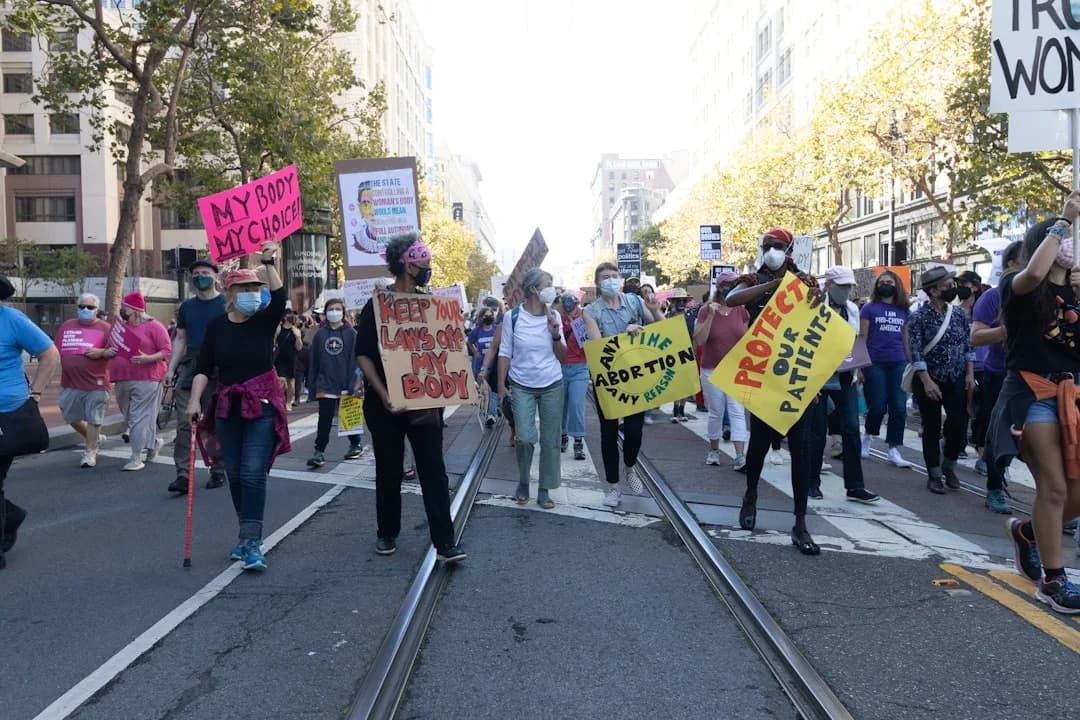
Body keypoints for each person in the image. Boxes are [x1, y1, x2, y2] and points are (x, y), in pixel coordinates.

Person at [991, 196, 1080, 614]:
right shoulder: (1016, 285)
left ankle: (1028, 531)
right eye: (1061, 236)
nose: (1068, 242)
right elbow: (1037, 272)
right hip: (1033, 394)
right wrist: (1064, 217)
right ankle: (1053, 581)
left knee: (1075, 491)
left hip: (1073, 397)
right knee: (1055, 486)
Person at [355, 232, 464, 563]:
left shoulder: (432, 305)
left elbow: (444, 349)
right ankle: (387, 532)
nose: (428, 266)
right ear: (405, 264)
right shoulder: (375, 306)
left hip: (424, 402)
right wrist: (384, 393)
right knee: (388, 469)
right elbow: (363, 355)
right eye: (423, 260)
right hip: (384, 404)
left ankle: (445, 541)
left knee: (433, 468)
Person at [187, 243, 290, 572]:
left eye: (256, 289)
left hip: (262, 406)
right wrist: (193, 401)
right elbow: (203, 367)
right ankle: (246, 536)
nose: (253, 294)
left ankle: (252, 542)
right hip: (227, 406)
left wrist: (268, 262)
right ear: (229, 293)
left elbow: (281, 296)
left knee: (252, 472)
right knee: (233, 473)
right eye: (245, 289)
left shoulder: (264, 320)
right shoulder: (217, 327)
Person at [726, 227, 823, 555]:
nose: (771, 250)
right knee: (758, 446)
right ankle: (751, 494)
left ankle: (800, 522)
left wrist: (815, 378)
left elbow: (817, 323)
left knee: (802, 449)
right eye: (766, 246)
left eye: (777, 246)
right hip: (764, 374)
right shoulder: (753, 280)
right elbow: (731, 299)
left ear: (790, 248)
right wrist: (773, 285)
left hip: (796, 377)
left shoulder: (806, 280)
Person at [0, 275, 61, 571]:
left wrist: (35, 394)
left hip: (7, 412)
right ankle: (10, 517)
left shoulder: (12, 319)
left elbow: (49, 353)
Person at [581, 262, 654, 507]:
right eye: (605, 277)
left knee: (634, 432)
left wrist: (654, 311)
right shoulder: (591, 311)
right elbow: (598, 346)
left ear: (620, 279)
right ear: (598, 283)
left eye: (614, 275)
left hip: (636, 377)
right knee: (608, 433)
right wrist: (626, 332)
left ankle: (630, 466)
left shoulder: (634, 302)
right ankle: (613, 487)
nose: (611, 280)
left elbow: (658, 328)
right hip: (608, 381)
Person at [497, 268, 566, 509]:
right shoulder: (513, 317)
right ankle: (524, 481)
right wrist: (500, 387)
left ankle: (545, 488)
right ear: (534, 289)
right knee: (525, 438)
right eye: (548, 283)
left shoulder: (554, 317)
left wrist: (555, 335)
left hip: (552, 384)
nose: (552, 288)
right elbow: (505, 352)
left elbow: (563, 356)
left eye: (553, 283)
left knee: (550, 439)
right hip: (521, 384)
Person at [907, 266, 975, 494]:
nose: (952, 289)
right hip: (930, 379)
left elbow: (968, 345)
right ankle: (934, 474)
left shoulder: (958, 314)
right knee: (931, 426)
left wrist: (969, 373)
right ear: (934, 291)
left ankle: (949, 465)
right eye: (947, 286)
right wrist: (926, 381)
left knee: (957, 424)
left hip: (956, 377)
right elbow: (915, 352)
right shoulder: (918, 317)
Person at [815, 267, 880, 503]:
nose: (846, 291)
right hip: (818, 378)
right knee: (817, 429)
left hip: (845, 376)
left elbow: (856, 340)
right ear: (828, 285)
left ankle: (855, 486)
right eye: (841, 286)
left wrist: (859, 368)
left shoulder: (852, 310)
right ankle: (812, 481)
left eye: (848, 287)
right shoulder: (814, 307)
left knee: (851, 428)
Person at [971, 241, 1024, 514]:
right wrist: (1007, 330)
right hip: (1000, 375)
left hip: (1042, 378)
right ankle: (994, 486)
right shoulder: (993, 297)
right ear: (1012, 264)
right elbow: (976, 336)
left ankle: (1058, 506)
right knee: (999, 436)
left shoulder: (1046, 292)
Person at [166, 259, 227, 493]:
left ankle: (218, 468)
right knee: (185, 421)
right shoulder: (187, 308)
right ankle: (183, 474)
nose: (200, 276)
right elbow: (180, 338)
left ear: (215, 277)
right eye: (196, 273)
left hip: (220, 364)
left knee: (214, 421)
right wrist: (171, 368)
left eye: (205, 272)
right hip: (191, 363)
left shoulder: (225, 304)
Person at [693, 272, 749, 470]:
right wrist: (710, 315)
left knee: (737, 412)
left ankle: (740, 456)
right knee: (716, 412)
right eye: (729, 284)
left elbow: (747, 338)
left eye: (735, 284)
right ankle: (714, 450)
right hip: (711, 369)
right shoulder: (705, 310)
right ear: (720, 287)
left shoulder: (741, 309)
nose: (732, 288)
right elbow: (699, 340)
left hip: (735, 370)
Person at [111, 292, 172, 471]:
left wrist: (148, 358)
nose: (122, 309)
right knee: (131, 416)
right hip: (122, 378)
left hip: (148, 378)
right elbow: (110, 346)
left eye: (125, 307)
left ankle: (136, 456)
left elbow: (166, 350)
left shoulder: (154, 327)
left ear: (136, 310)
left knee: (139, 417)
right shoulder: (121, 327)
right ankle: (152, 443)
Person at [859, 270, 912, 468]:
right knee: (878, 405)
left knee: (899, 406)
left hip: (898, 362)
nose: (885, 284)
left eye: (889, 281)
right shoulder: (869, 309)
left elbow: (905, 338)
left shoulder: (903, 310)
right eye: (882, 282)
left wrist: (910, 363)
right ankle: (868, 435)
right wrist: (860, 366)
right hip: (875, 363)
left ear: (896, 285)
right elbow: (862, 338)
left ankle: (893, 449)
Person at [55, 292, 115, 468]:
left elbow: (116, 351)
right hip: (70, 382)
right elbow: (57, 348)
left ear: (97, 309)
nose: (85, 310)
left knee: (94, 418)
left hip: (96, 382)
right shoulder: (67, 326)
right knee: (70, 415)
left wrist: (101, 352)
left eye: (90, 307)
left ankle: (90, 452)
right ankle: (95, 438)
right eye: (82, 306)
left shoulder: (105, 328)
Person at [307, 297, 364, 467]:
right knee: (324, 418)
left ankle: (355, 444)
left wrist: (356, 381)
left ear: (343, 312)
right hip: (326, 383)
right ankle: (319, 451)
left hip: (348, 382)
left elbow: (356, 359)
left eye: (337, 309)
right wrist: (312, 386)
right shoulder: (320, 335)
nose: (334, 312)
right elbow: (314, 361)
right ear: (325, 313)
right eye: (331, 309)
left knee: (348, 417)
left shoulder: (351, 333)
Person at [557, 294, 589, 460]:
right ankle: (562, 434)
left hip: (580, 367)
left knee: (576, 404)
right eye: (566, 305)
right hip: (560, 367)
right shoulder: (557, 319)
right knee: (561, 405)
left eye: (573, 305)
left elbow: (589, 343)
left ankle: (578, 440)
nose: (570, 307)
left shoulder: (584, 319)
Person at [666, 288, 697, 422]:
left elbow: (695, 335)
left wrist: (694, 350)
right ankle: (675, 409)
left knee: (687, 383)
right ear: (673, 302)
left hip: (688, 352)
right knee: (675, 382)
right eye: (678, 300)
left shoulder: (691, 316)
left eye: (683, 300)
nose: (681, 303)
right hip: (673, 353)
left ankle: (682, 410)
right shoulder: (667, 317)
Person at [467, 306, 499, 426]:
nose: (488, 317)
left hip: (495, 365)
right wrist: (475, 352)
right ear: (481, 317)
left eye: (490, 315)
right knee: (486, 390)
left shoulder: (496, 329)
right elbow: (469, 342)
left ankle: (491, 414)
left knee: (493, 390)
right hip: (481, 365)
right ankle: (490, 410)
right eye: (486, 315)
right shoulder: (477, 331)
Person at [275, 311, 302, 408]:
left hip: (292, 358)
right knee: (281, 380)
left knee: (290, 381)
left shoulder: (296, 330)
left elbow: (299, 347)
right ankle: (281, 400)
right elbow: (274, 342)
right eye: (288, 315)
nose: (291, 317)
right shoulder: (279, 328)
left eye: (293, 315)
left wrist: (298, 337)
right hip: (280, 357)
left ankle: (288, 402)